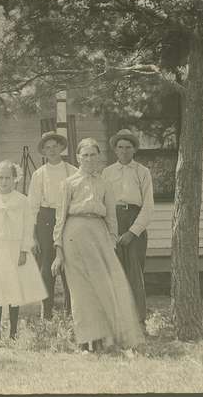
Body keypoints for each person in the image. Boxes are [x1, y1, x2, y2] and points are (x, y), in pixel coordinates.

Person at [52, 137, 144, 352]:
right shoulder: (68, 183)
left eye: (93, 155)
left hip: (99, 235)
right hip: (74, 234)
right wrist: (59, 250)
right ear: (78, 157)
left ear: (99, 157)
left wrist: (111, 241)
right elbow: (60, 218)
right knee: (81, 290)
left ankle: (105, 339)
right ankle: (85, 342)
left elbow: (111, 216)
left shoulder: (105, 183)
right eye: (85, 155)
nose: (89, 159)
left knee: (105, 288)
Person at [0, 160, 46, 340]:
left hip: (15, 248)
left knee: (14, 288)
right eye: (0, 177)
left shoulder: (22, 200)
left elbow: (27, 227)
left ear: (15, 178)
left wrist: (24, 250)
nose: (4, 181)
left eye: (8, 178)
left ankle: (14, 332)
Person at [102, 128, 155, 334]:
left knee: (134, 273)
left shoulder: (142, 172)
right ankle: (117, 322)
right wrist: (110, 232)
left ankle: (139, 322)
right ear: (115, 150)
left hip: (134, 221)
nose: (124, 151)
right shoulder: (107, 173)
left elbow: (148, 207)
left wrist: (133, 232)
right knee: (114, 273)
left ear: (134, 149)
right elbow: (104, 202)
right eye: (120, 147)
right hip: (113, 221)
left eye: (128, 147)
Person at [26, 131, 76, 319]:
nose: (52, 150)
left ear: (61, 148)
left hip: (68, 217)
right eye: (47, 148)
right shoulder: (39, 174)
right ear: (44, 152)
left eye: (55, 146)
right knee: (46, 267)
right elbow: (32, 206)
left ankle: (71, 311)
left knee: (69, 265)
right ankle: (46, 312)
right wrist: (33, 235)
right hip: (45, 219)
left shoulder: (72, 171)